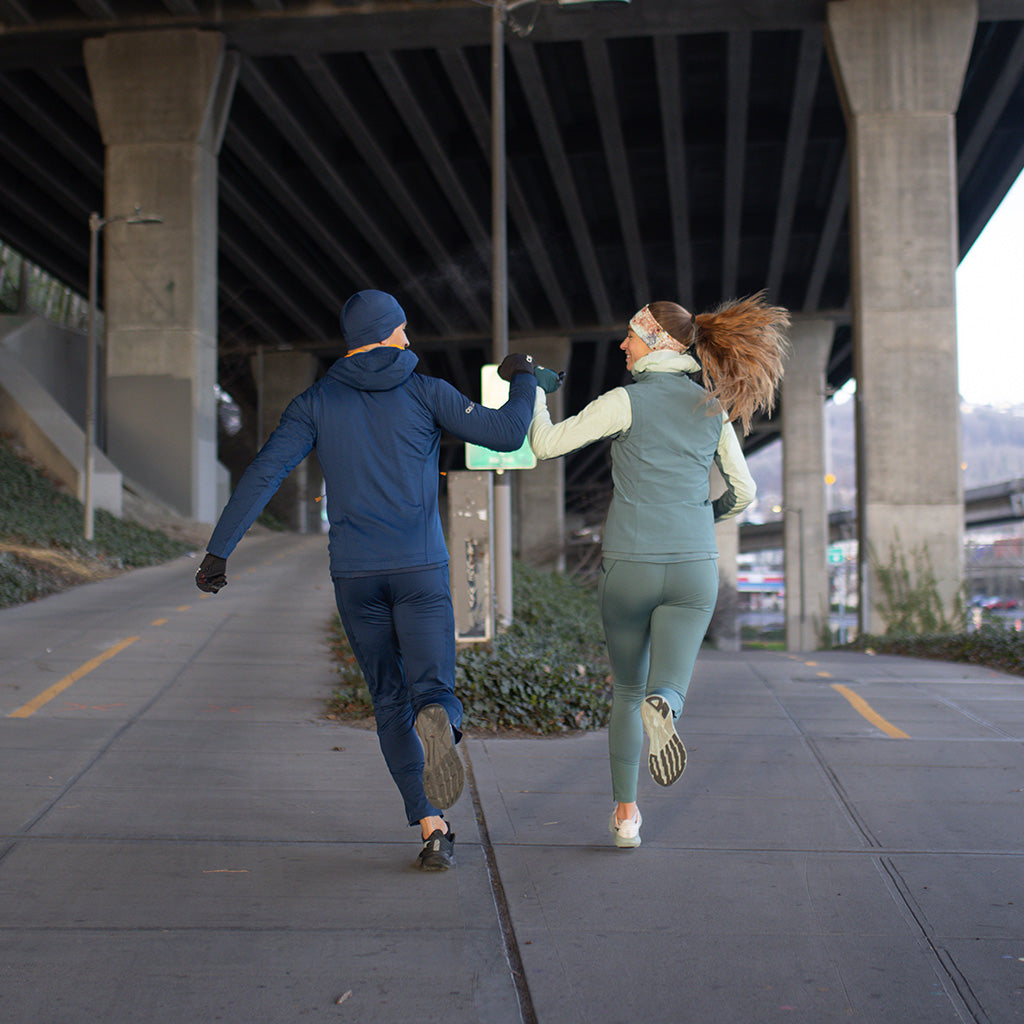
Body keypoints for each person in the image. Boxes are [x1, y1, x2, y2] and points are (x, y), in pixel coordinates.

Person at [195, 289, 538, 870]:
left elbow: (265, 472)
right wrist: (524, 377)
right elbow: (507, 433)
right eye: (404, 329)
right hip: (420, 570)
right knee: (434, 693)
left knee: (387, 698)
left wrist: (218, 553)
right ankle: (442, 725)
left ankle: (432, 827)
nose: (410, 339)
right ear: (388, 332)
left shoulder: (315, 402)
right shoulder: (426, 391)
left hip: (357, 576)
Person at [528, 292, 788, 848]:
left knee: (625, 689)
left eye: (631, 335)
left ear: (655, 342)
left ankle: (626, 817)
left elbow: (546, 445)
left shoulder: (624, 400)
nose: (622, 343)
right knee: (663, 684)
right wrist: (703, 517)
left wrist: (531, 392)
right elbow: (744, 492)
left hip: (631, 564)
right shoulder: (711, 407)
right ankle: (665, 705)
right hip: (693, 565)